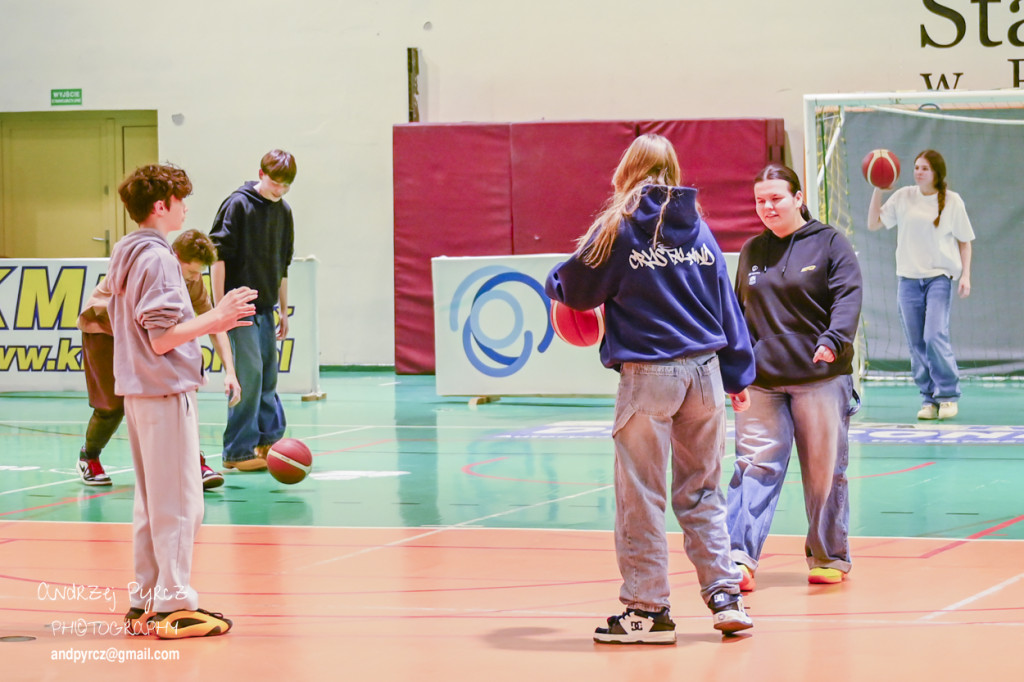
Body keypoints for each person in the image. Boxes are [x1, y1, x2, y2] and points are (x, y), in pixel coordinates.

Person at [545, 134, 757, 644]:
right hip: (706, 372)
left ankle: (647, 612)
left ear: (626, 169)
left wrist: (556, 284)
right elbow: (725, 302)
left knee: (641, 494)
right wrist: (738, 374)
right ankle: (725, 597)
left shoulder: (619, 226)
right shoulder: (700, 228)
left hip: (651, 374)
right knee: (703, 490)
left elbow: (574, 284)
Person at [107, 163, 256, 638]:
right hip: (163, 389)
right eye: (180, 199)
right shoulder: (158, 259)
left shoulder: (126, 253)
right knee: (179, 504)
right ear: (160, 206)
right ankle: (173, 603)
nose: (186, 207)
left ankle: (144, 601)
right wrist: (218, 317)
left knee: (152, 504)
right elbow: (162, 336)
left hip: (139, 391)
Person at [726, 163, 863, 590]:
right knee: (753, 466)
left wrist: (834, 339)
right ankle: (738, 556)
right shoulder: (752, 251)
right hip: (761, 381)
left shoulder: (830, 244)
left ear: (798, 198)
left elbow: (848, 296)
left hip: (820, 377)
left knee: (824, 471)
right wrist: (735, 370)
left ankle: (829, 556)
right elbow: (738, 311)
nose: (767, 207)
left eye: (776, 199)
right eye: (760, 201)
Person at [76, 231, 241, 490]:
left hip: (148, 332)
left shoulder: (192, 280)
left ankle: (193, 461)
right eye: (191, 272)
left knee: (180, 389)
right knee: (113, 405)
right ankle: (89, 456)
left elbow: (213, 322)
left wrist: (230, 371)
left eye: (200, 273)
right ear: (174, 258)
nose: (196, 278)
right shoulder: (150, 269)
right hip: (105, 330)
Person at [867, 149, 975, 420]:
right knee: (916, 342)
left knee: (933, 336)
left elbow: (965, 241)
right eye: (916, 167)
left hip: (939, 278)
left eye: (924, 168)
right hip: (908, 280)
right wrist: (878, 190)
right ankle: (928, 400)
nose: (918, 172)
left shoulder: (952, 201)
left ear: (936, 173)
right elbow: (873, 223)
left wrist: (966, 276)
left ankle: (948, 395)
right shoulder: (903, 196)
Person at [209, 150, 296, 472]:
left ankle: (268, 441)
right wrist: (220, 306)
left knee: (268, 375)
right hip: (238, 307)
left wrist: (283, 311)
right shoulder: (238, 204)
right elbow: (218, 256)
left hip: (265, 307)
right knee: (248, 375)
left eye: (286, 185)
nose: (279, 190)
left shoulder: (284, 212)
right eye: (275, 182)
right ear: (261, 173)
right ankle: (237, 450)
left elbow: (283, 264)